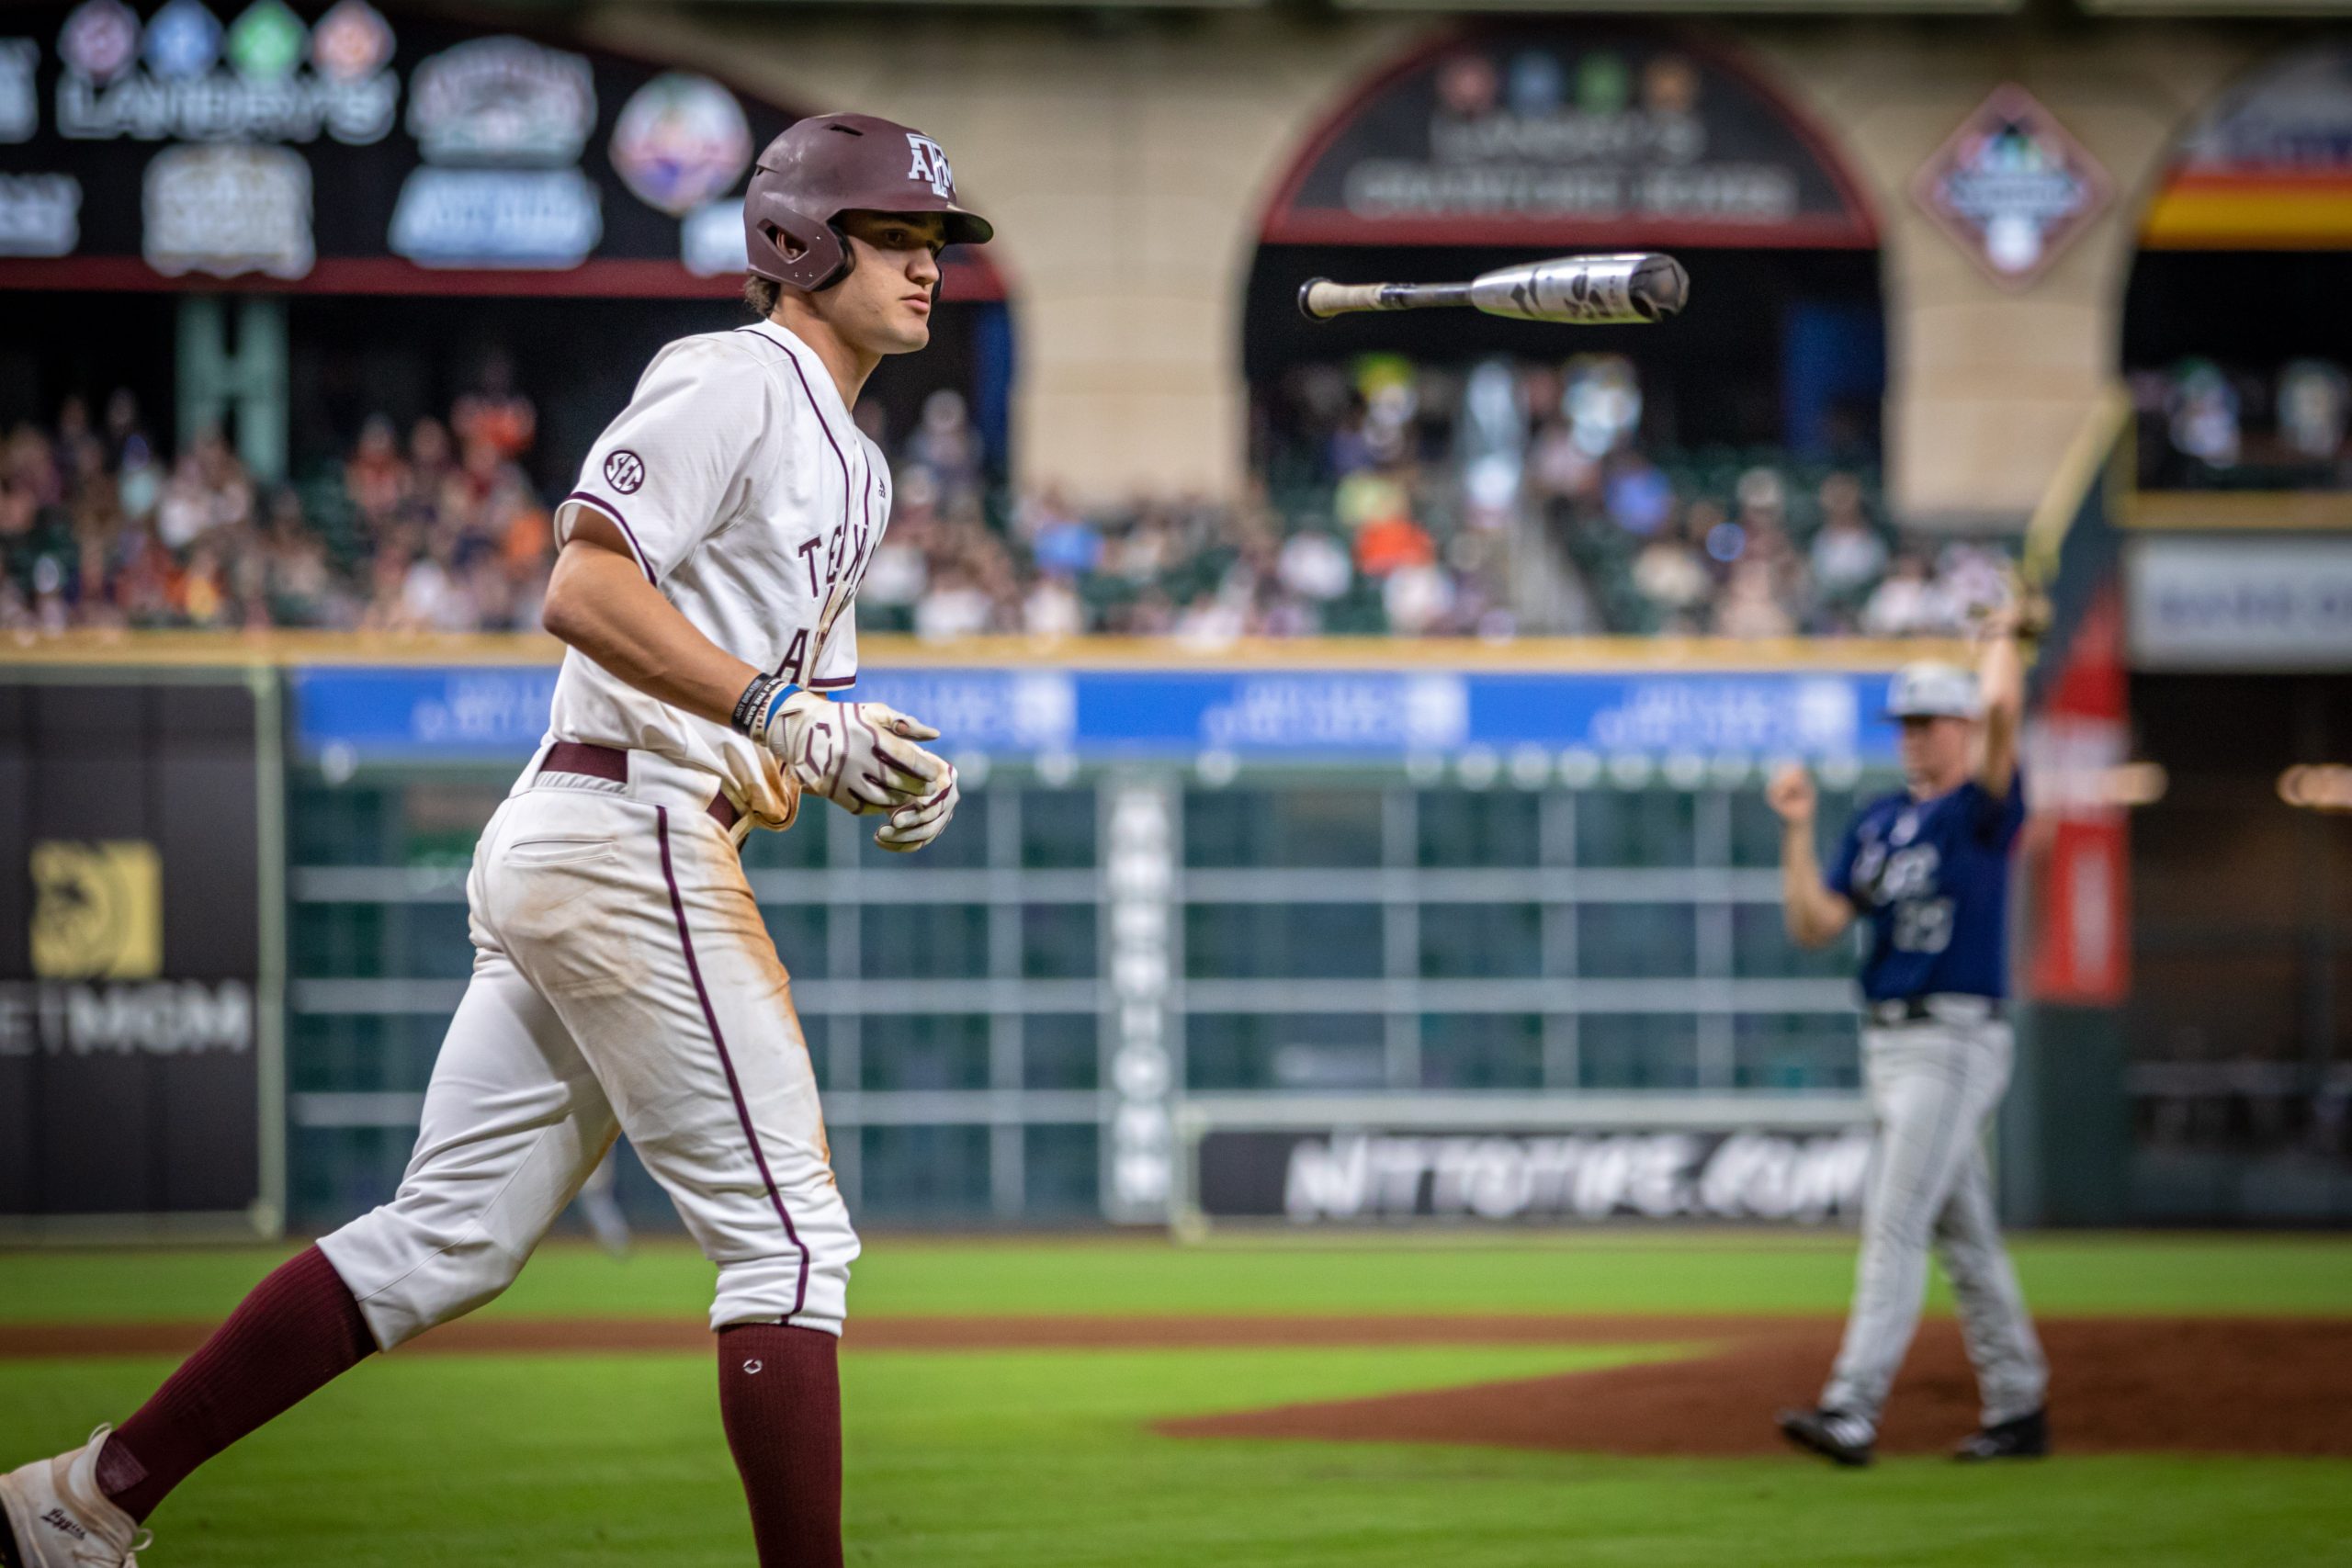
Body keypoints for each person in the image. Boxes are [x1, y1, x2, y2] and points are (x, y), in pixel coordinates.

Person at [0, 111, 990, 1568]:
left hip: (608, 828)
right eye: (899, 237)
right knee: (789, 1248)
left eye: (936, 243)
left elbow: (811, 706)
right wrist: (780, 711)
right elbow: (582, 585)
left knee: (443, 1236)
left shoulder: (859, 461)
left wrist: (885, 766)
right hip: (625, 823)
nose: (929, 268)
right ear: (803, 244)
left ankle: (81, 1500)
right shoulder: (732, 377)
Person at [1764, 607, 2050, 1467]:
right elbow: (1816, 922)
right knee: (1965, 1239)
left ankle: (1852, 1407)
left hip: (1954, 1038)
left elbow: (2004, 715)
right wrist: (1797, 826)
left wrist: (2002, 638)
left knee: (1892, 1223)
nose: (1913, 737)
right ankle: (2020, 1403)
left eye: (1929, 721)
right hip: (1887, 1044)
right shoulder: (1879, 820)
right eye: (1906, 723)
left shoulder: (1981, 810)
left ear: (1963, 726)